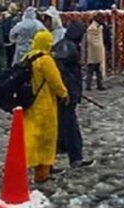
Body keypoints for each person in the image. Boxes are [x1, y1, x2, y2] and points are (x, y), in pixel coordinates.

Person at [23, 30, 69, 183]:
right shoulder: (45, 60)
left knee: (30, 137)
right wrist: (64, 94)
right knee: (46, 140)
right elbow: (55, 81)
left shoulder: (28, 57)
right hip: (45, 105)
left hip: (29, 104)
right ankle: (42, 172)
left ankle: (19, 165)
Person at [52, 20, 93, 169]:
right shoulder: (68, 48)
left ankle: (61, 149)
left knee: (64, 124)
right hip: (67, 93)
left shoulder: (64, 46)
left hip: (65, 92)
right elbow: (67, 75)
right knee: (70, 126)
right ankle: (75, 157)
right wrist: (70, 92)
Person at [85, 15, 106, 91]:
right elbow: (91, 41)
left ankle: (99, 84)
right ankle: (88, 85)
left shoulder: (99, 27)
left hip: (98, 52)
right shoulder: (92, 28)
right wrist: (99, 47)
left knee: (98, 70)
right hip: (93, 53)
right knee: (91, 70)